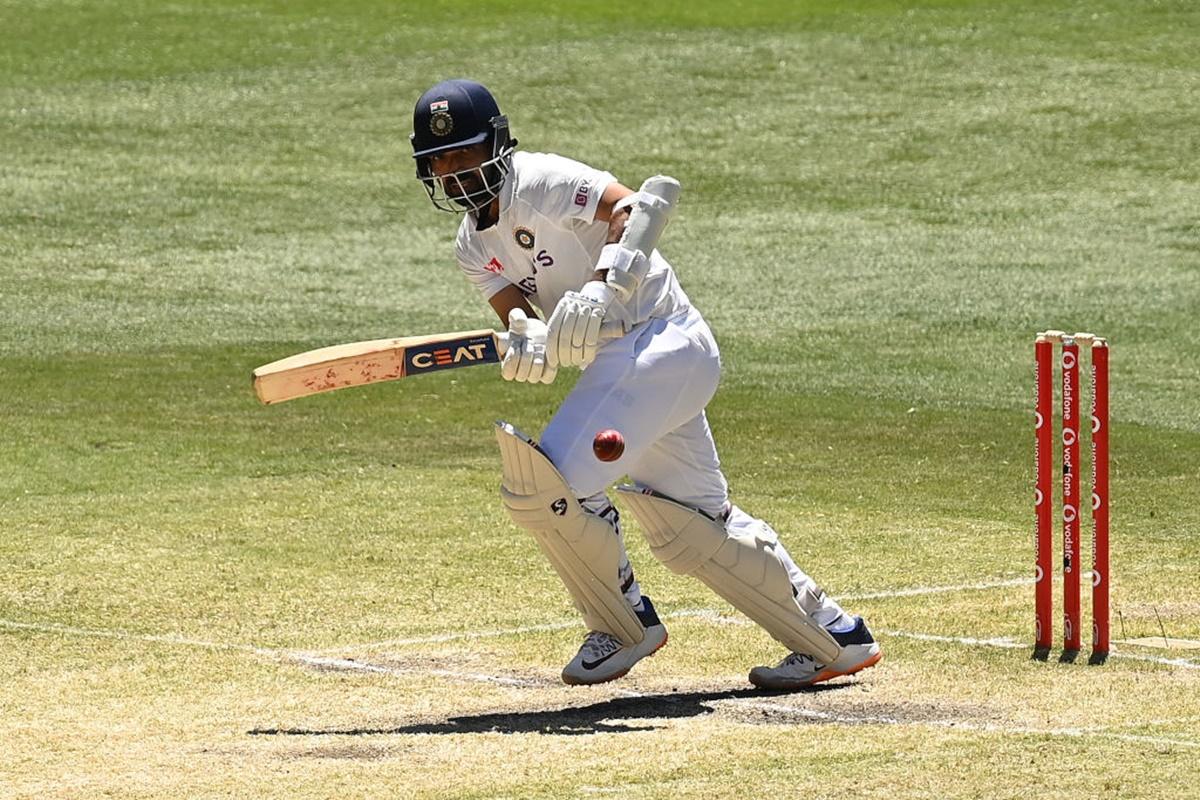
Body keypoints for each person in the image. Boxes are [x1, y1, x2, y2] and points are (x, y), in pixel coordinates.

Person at [409, 78, 881, 690]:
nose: (454, 172)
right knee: (695, 529)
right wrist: (528, 338)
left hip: (663, 339)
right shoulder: (472, 247)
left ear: (496, 143)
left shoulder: (543, 179)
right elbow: (520, 317)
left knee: (544, 488)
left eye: (464, 153)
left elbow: (633, 208)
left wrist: (604, 287)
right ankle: (834, 635)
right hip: (631, 371)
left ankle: (623, 621)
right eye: (439, 161)